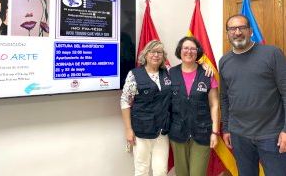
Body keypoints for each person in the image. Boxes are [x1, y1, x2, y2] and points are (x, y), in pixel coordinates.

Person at [220, 14, 286, 176]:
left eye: (242, 28)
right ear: (227, 33)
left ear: (250, 31)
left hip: (272, 135)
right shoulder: (224, 61)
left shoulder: (272, 54)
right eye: (232, 29)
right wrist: (227, 128)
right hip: (239, 135)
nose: (237, 32)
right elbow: (225, 97)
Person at [169, 36, 219, 176]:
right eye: (186, 48)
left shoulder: (207, 74)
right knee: (182, 173)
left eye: (193, 48)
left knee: (198, 173)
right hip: (178, 132)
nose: (189, 51)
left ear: (198, 52)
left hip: (202, 132)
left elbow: (214, 104)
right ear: (180, 50)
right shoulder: (170, 73)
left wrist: (215, 132)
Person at [120, 40, 171, 176]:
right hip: (141, 131)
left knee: (161, 171)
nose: (156, 55)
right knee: (141, 170)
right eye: (152, 51)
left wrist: (203, 65)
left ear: (163, 55)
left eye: (159, 52)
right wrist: (128, 129)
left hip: (162, 131)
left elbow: (187, 70)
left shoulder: (169, 72)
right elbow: (125, 102)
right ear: (146, 54)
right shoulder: (134, 74)